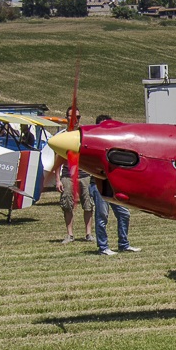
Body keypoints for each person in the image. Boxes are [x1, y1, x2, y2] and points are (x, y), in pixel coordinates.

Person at [90, 114, 140, 255]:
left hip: (114, 184)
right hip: (99, 184)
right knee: (102, 217)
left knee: (124, 213)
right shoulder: (94, 143)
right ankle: (103, 247)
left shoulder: (114, 142)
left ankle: (123, 244)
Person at [53, 107, 93, 243]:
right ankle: (70, 234)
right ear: (67, 118)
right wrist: (57, 180)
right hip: (68, 175)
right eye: (72, 116)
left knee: (88, 204)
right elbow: (57, 160)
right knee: (67, 204)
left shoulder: (85, 134)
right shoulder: (62, 137)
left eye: (78, 117)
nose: (76, 120)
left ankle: (88, 234)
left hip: (85, 174)